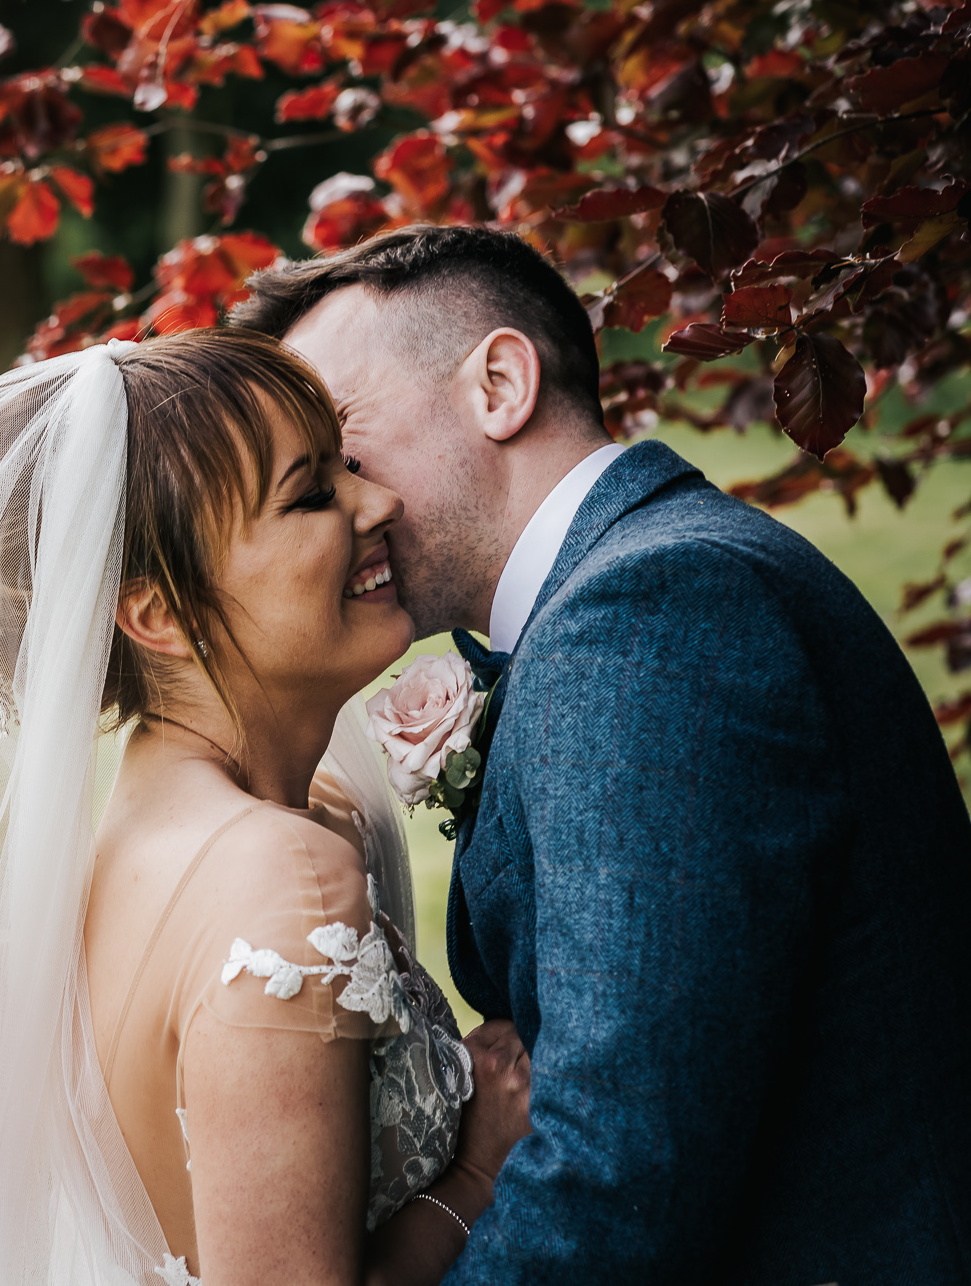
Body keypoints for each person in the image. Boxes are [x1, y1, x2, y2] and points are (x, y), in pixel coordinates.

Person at [233, 223, 971, 1285]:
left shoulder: (644, 613)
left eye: (340, 432)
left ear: (498, 383)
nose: (341, 495)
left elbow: (621, 1166)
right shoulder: (649, 583)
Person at [0, 329, 531, 1286]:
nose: (380, 503)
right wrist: (475, 1169)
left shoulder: (170, 828)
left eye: (350, 463)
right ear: (156, 612)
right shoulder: (280, 880)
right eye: (312, 493)